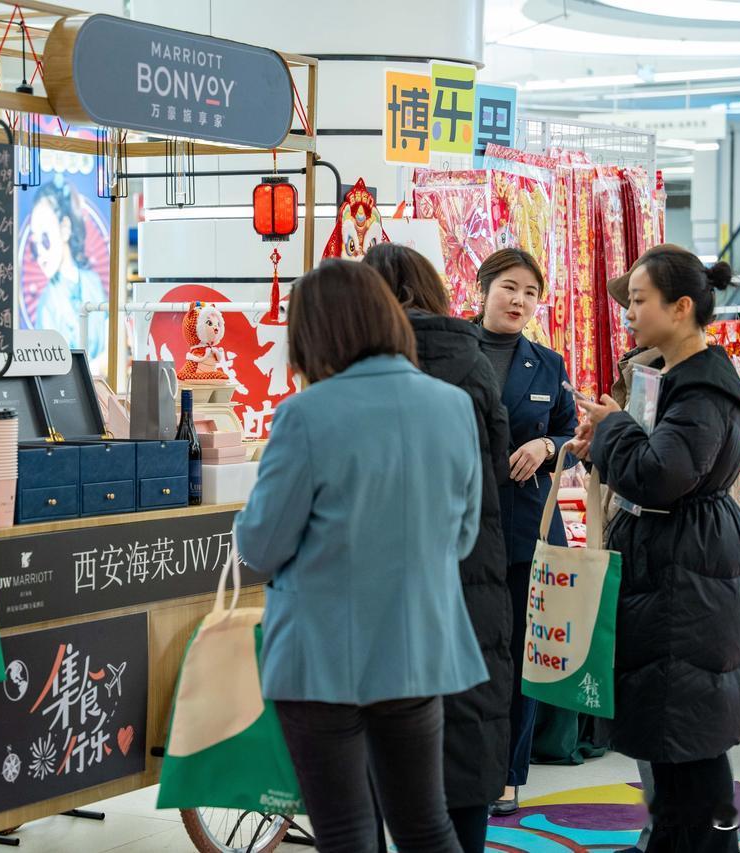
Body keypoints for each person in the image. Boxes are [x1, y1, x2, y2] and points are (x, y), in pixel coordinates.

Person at [234, 258, 486, 853]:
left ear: (314, 334)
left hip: (323, 654)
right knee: (426, 824)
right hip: (418, 645)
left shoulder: (305, 415)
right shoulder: (451, 406)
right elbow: (463, 537)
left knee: (345, 830)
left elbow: (262, 547)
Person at [572, 245, 740, 852]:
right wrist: (610, 431)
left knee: (688, 744)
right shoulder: (673, 378)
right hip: (679, 571)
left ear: (680, 309)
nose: (627, 311)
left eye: (639, 300)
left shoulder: (701, 391)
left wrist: (615, 428)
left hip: (686, 579)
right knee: (677, 744)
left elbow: (657, 474)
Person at [365, 243, 512, 853]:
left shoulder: (358, 370)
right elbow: (497, 465)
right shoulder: (472, 362)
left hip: (382, 583)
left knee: (377, 747)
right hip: (469, 568)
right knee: (466, 727)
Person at [470, 248, 577, 816]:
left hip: (526, 527)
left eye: (531, 293)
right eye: (510, 287)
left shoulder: (548, 363)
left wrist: (546, 445)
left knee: (515, 654)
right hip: (458, 523)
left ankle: (509, 772)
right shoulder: (449, 349)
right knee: (462, 650)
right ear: (484, 287)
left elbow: (571, 434)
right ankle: (456, 765)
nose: (519, 300)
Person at [25, 178, 107, 363]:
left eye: (45, 239)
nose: (40, 254)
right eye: (34, 245)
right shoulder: (47, 304)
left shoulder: (93, 281)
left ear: (65, 228)